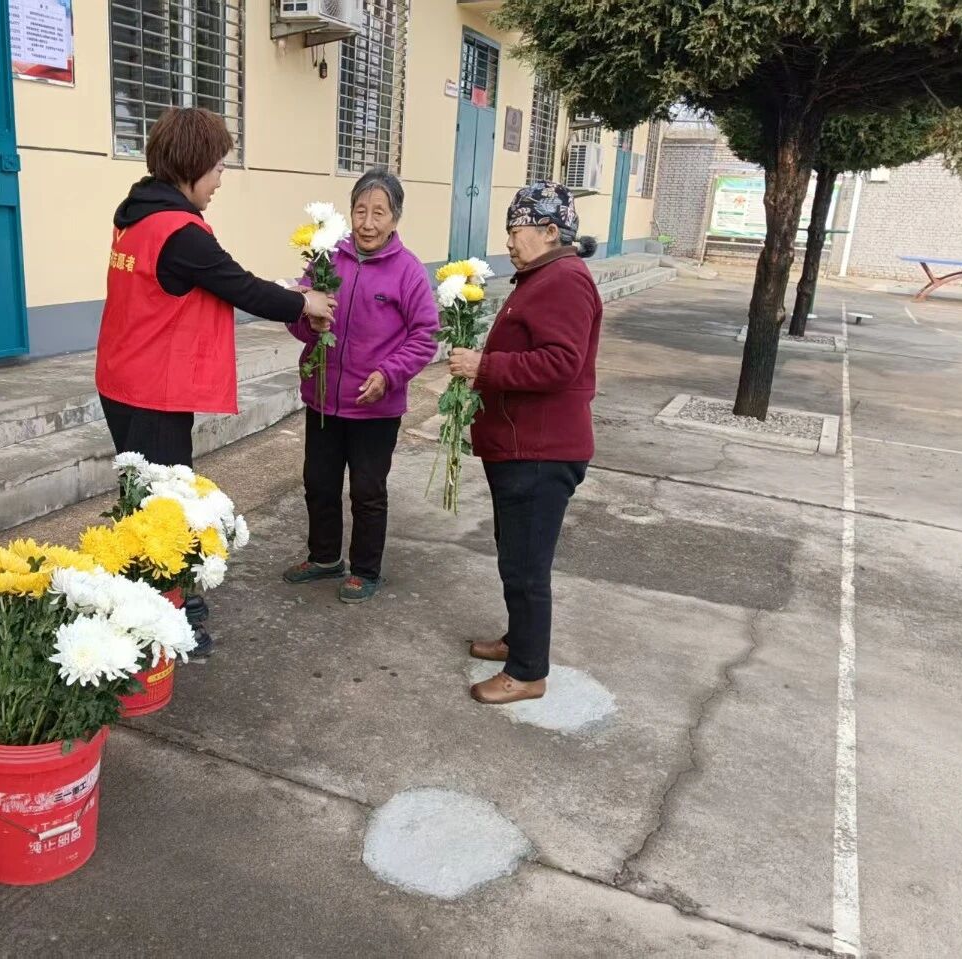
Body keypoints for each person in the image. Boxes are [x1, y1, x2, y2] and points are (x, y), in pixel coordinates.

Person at [96, 107, 337, 658]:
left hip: (121, 376)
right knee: (165, 506)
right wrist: (305, 301)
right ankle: (169, 617)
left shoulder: (135, 215)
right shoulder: (179, 231)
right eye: (219, 168)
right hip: (152, 390)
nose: (222, 180)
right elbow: (239, 285)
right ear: (193, 164)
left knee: (144, 496)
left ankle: (154, 601)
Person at [447, 181, 601, 704]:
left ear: (550, 230)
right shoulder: (544, 276)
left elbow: (561, 363)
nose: (509, 241)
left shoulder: (564, 280)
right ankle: (520, 641)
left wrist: (483, 366)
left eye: (516, 230)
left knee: (527, 567)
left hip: (541, 450)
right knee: (516, 555)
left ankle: (528, 672)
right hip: (523, 447)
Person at [282, 168, 440, 603]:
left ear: (395, 219)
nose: (368, 223)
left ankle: (366, 570)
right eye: (360, 211)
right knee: (319, 482)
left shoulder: (408, 271)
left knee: (368, 491)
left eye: (379, 213)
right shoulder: (326, 258)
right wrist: (309, 322)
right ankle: (324, 558)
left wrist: (389, 374)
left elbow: (425, 335)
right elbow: (299, 314)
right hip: (324, 398)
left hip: (375, 407)